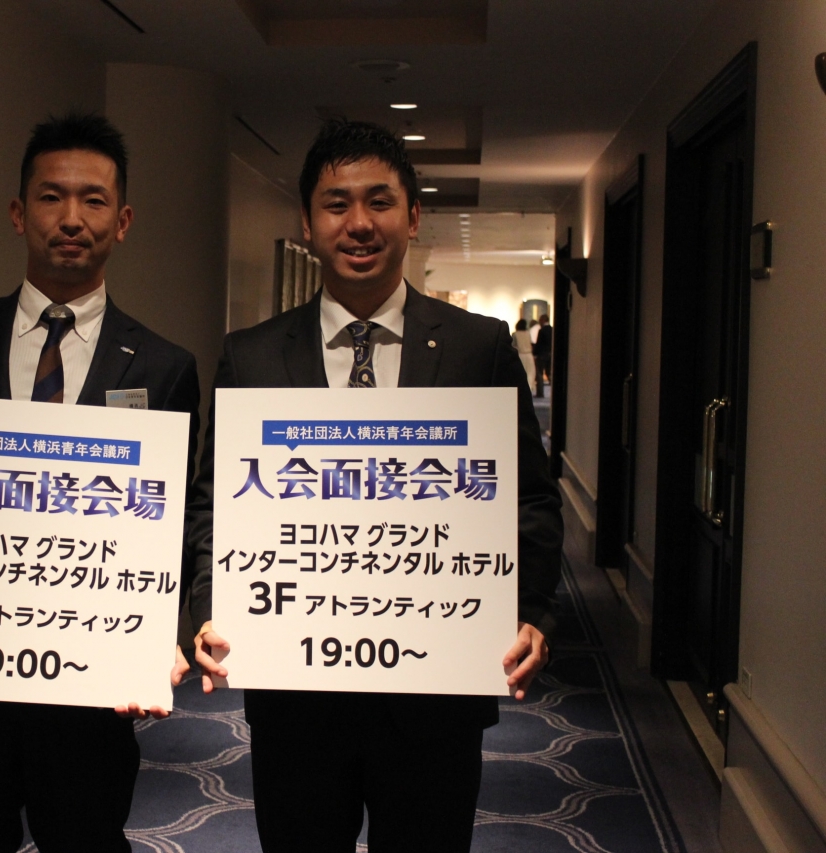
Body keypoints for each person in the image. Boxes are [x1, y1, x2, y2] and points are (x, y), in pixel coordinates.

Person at [183, 119, 563, 853]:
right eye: (336, 204)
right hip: (295, 694)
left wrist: (530, 612)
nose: (358, 223)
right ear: (308, 223)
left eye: (379, 202)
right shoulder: (251, 356)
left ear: (413, 217)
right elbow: (211, 505)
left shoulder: (478, 348)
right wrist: (206, 607)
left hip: (437, 694)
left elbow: (531, 498)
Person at [0, 113, 200, 853]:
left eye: (93, 199)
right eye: (52, 197)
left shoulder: (163, 366)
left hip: (90, 693)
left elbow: (172, 522)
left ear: (123, 221)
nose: (71, 218)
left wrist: (162, 633)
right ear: (19, 213)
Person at [515, 317, 537, 391]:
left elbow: (513, 345)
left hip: (520, 355)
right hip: (529, 355)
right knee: (530, 373)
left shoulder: (515, 334)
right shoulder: (528, 333)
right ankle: (529, 388)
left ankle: (522, 389)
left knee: (520, 373)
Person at [533, 313, 553, 397]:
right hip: (550, 354)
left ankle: (540, 393)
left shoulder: (542, 331)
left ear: (543, 320)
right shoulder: (552, 329)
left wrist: (535, 353)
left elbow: (539, 344)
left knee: (539, 374)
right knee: (549, 373)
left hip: (541, 355)